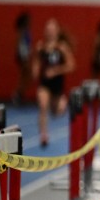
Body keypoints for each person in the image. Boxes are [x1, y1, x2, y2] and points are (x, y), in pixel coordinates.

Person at [32, 19, 75, 147]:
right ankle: (43, 135)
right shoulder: (41, 47)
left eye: (52, 30)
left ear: (57, 31)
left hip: (57, 86)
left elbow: (71, 65)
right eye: (48, 30)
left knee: (57, 112)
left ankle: (61, 104)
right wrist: (35, 71)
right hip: (45, 84)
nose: (50, 32)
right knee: (43, 105)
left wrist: (56, 71)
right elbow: (36, 62)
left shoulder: (61, 47)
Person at [11, 12, 32, 105]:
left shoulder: (26, 31)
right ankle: (17, 95)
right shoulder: (22, 31)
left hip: (25, 55)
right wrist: (23, 56)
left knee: (26, 76)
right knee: (25, 76)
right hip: (22, 56)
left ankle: (19, 94)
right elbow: (20, 45)